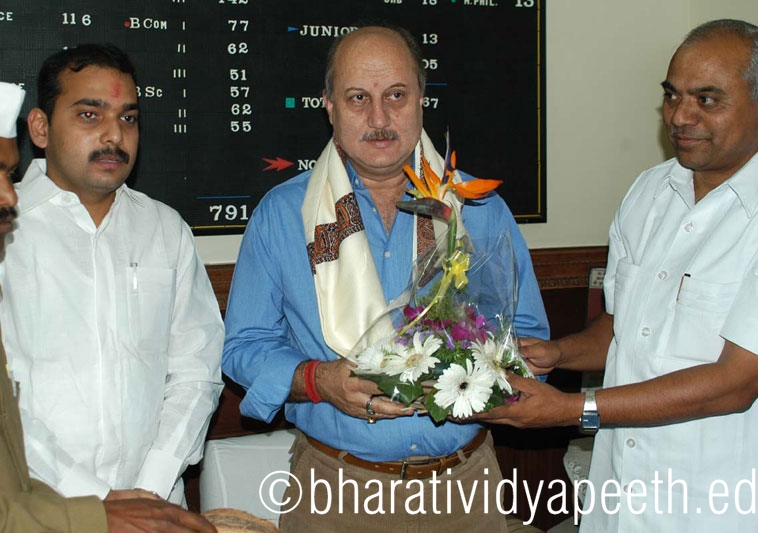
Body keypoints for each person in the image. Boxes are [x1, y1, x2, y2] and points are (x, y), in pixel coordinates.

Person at [475, 19, 758, 532]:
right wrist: (558, 353)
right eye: (672, 96)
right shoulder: (649, 191)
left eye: (706, 99)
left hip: (720, 506)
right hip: (619, 500)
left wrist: (572, 409)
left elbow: (735, 383)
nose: (680, 116)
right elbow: (625, 328)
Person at [222, 25, 549, 532]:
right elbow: (243, 347)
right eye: (358, 98)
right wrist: (318, 381)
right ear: (329, 105)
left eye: (396, 95)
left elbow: (528, 341)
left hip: (465, 491)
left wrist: (489, 380)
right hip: (334, 491)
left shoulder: (479, 208)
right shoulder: (282, 215)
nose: (379, 118)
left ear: (422, 99)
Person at [0, 44, 224, 505]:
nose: (114, 135)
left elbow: (196, 371)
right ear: (40, 127)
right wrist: (97, 500)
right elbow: (8, 405)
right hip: (37, 507)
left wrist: (149, 489)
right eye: (89, 115)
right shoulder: (8, 229)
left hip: (155, 503)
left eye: (128, 118)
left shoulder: (165, 228)